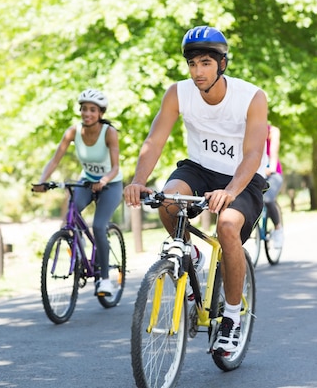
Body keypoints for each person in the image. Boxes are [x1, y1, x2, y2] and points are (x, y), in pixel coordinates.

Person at [123, 26, 268, 355]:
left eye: (205, 63)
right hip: (199, 168)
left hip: (241, 177)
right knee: (167, 201)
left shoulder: (251, 96)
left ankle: (231, 318)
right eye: (192, 64)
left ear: (222, 64)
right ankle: (190, 255)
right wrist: (137, 180)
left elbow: (253, 154)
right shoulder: (178, 93)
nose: (198, 71)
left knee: (228, 226)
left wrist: (230, 191)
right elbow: (154, 140)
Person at [33, 89, 123, 296]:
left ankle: (105, 281)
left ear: (100, 113)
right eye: (84, 109)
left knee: (100, 225)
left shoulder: (109, 132)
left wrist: (104, 180)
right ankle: (79, 249)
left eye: (92, 110)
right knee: (69, 218)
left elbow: (116, 167)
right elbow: (55, 160)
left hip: (110, 184)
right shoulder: (73, 132)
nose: (87, 113)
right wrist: (42, 181)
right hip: (86, 182)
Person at [265, 124, 284, 249]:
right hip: (254, 174)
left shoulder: (273, 131)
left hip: (273, 174)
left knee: (267, 199)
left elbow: (273, 153)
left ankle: (278, 228)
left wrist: (270, 168)